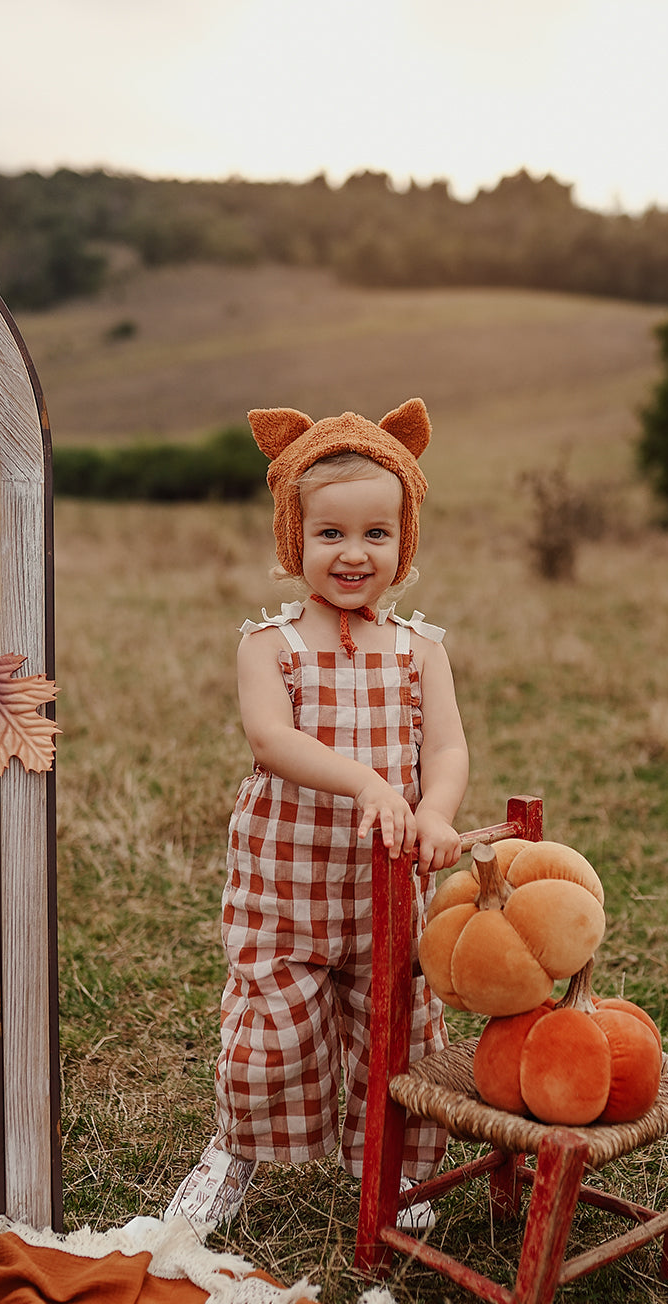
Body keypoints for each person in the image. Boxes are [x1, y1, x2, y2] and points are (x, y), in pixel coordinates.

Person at [164, 398, 469, 1234]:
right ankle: (235, 1151)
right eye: (330, 533)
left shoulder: (419, 648)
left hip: (387, 885)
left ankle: (398, 1177)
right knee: (276, 1029)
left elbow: (445, 750)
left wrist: (434, 810)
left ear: (402, 543)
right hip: (287, 887)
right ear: (292, 538)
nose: (353, 553)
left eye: (376, 533)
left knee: (400, 1030)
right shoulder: (271, 646)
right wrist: (371, 783)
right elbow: (269, 739)